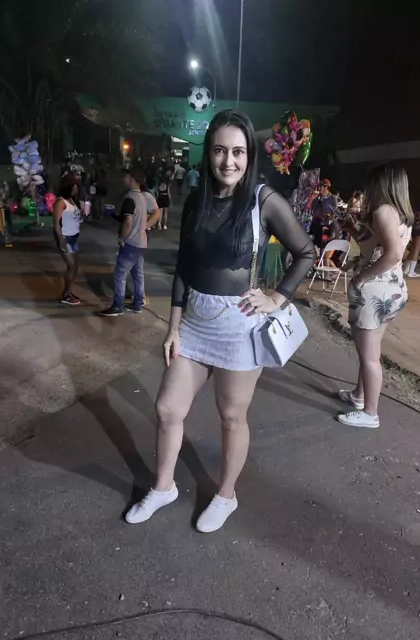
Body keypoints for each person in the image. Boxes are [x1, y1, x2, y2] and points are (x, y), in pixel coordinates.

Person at [125, 109, 316, 533]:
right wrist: (173, 327)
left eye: (238, 152)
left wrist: (276, 298)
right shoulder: (197, 200)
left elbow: (306, 252)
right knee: (167, 408)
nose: (228, 161)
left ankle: (226, 495)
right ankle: (163, 487)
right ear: (208, 153)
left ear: (249, 156)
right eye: (219, 151)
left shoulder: (264, 200)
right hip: (194, 323)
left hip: (239, 327)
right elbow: (184, 267)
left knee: (231, 416)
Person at [338, 163, 413, 429]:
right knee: (369, 351)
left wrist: (361, 277)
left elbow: (393, 253)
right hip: (393, 288)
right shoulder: (401, 213)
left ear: (382, 184)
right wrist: (351, 230)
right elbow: (376, 245)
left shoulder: (383, 211)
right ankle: (359, 396)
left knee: (369, 356)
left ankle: (370, 413)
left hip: (375, 291)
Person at [99, 167, 149, 317]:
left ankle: (118, 305)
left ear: (132, 179)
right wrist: (115, 216)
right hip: (141, 242)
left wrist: (122, 238)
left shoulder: (130, 198)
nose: (124, 179)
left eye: (126, 177)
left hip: (131, 243)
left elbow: (128, 221)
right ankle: (137, 304)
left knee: (120, 275)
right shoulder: (142, 198)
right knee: (138, 274)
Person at [53, 174, 83, 305]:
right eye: (74, 186)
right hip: (66, 238)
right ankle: (66, 295)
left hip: (74, 237)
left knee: (75, 267)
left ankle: (68, 292)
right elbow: (56, 224)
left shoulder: (72, 200)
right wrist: (61, 241)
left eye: (76, 186)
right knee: (71, 266)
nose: (76, 188)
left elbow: (74, 217)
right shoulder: (60, 202)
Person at [309, 179, 339, 250]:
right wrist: (312, 199)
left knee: (322, 246)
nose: (319, 188)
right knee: (311, 243)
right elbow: (310, 208)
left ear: (326, 187)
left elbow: (334, 213)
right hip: (315, 223)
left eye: (321, 186)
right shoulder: (318, 197)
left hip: (325, 225)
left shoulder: (332, 198)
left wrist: (328, 219)